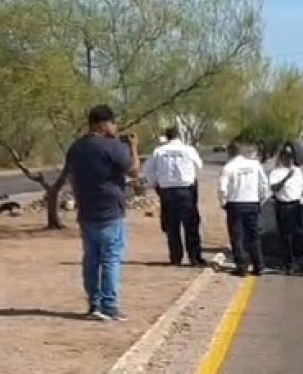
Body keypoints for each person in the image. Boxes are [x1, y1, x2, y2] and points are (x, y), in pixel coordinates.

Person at [65, 104, 140, 321]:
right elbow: (134, 170)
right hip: (110, 213)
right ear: (102, 124)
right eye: (113, 123)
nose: (115, 127)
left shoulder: (76, 147)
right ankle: (109, 305)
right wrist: (133, 147)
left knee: (91, 260)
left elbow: (71, 175)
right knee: (110, 259)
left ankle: (94, 304)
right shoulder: (112, 146)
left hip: (87, 212)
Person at [143, 126, 205, 266]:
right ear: (179, 136)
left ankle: (176, 258)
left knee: (171, 226)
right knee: (191, 225)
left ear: (167, 136)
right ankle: (195, 258)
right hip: (186, 190)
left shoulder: (159, 151)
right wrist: (191, 176)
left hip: (167, 191)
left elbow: (147, 169)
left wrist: (155, 183)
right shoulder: (188, 150)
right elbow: (199, 166)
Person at [218, 140, 270, 277]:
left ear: (229, 152)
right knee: (253, 236)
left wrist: (223, 202)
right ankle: (259, 265)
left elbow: (222, 188)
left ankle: (242, 267)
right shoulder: (254, 164)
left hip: (235, 204)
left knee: (237, 236)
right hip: (252, 203)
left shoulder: (229, 167)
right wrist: (261, 199)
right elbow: (264, 184)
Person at [268, 146, 303, 274]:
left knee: (300, 234)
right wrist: (286, 178)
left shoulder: (298, 171)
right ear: (282, 158)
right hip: (284, 206)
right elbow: (274, 188)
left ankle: (296, 259)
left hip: (297, 205)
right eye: (287, 157)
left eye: (291, 157)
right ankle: (288, 263)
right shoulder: (276, 172)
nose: (289, 160)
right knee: (286, 236)